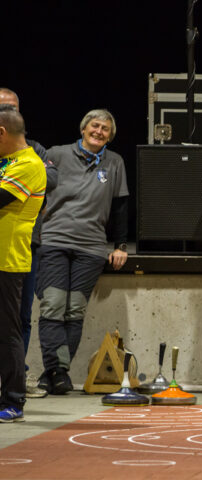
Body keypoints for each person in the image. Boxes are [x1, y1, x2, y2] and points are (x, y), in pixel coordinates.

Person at [36, 109, 129, 395]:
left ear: (110, 136)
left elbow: (120, 207)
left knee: (74, 310)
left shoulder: (115, 162)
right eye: (95, 126)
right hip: (54, 240)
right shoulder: (57, 154)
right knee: (53, 305)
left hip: (91, 247)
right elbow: (35, 191)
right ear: (83, 128)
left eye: (105, 129)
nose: (99, 131)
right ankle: (57, 371)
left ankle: (55, 372)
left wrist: (120, 246)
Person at [0, 88, 58, 399]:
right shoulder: (7, 160)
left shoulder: (29, 163)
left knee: (9, 331)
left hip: (7, 261)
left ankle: (12, 399)